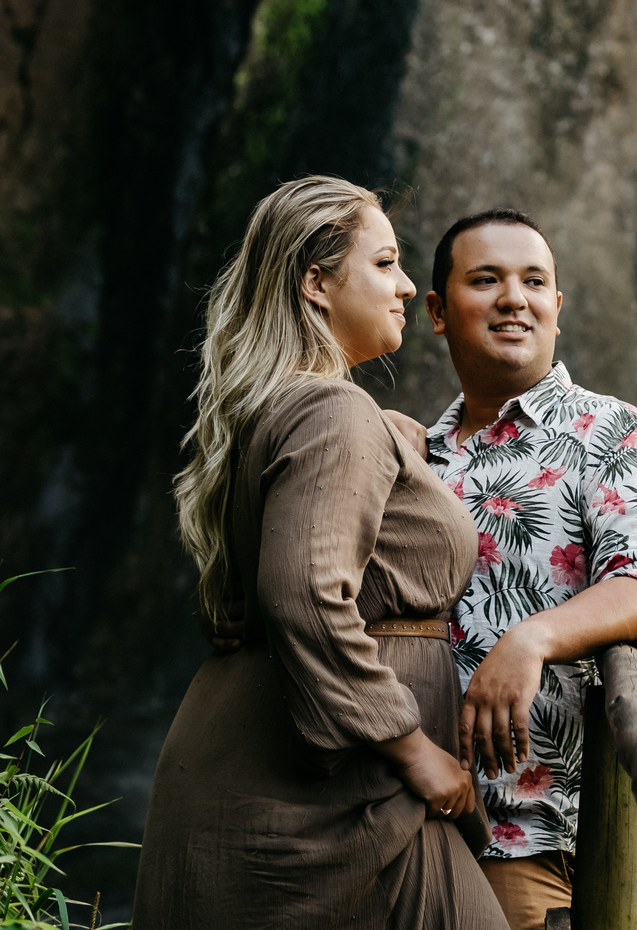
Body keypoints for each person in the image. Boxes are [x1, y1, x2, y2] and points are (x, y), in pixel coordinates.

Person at [131, 176, 508, 930]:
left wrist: (393, 453)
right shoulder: (333, 412)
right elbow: (304, 592)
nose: (408, 286)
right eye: (385, 263)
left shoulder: (292, 409)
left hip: (300, 786)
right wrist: (413, 750)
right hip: (335, 799)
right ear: (315, 283)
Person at [423, 208, 637, 930]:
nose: (513, 298)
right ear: (438, 312)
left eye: (533, 281)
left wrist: (532, 639)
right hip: (397, 828)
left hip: (528, 841)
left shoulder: (609, 432)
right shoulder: (414, 456)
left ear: (557, 306)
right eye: (486, 280)